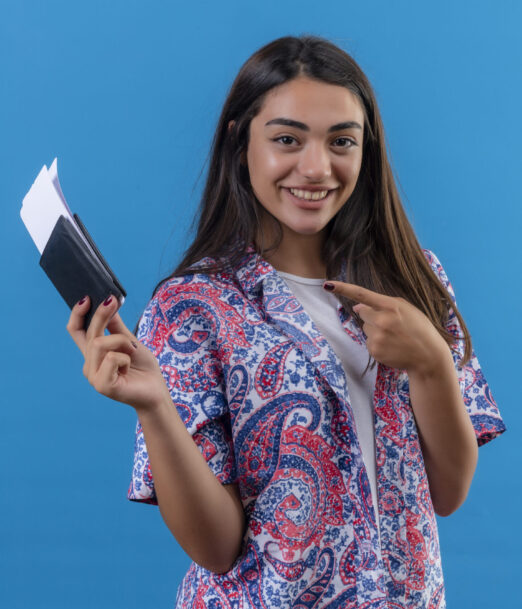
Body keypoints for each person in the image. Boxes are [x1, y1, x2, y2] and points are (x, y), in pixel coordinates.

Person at [67, 35, 505, 608]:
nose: (317, 167)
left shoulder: (413, 277)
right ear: (239, 141)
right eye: (287, 140)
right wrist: (155, 407)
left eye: (341, 141)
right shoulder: (193, 308)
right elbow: (217, 550)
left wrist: (430, 362)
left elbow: (446, 493)